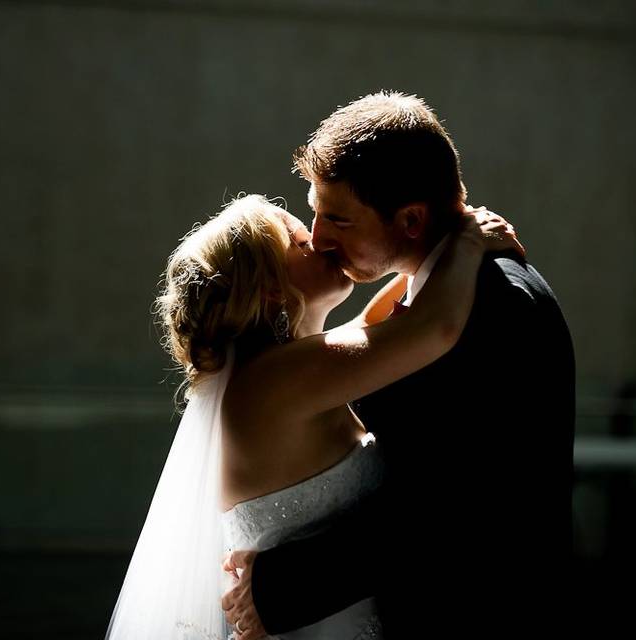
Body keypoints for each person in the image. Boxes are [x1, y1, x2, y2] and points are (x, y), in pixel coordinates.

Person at [221, 92, 575, 640]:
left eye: (336, 218)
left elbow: (452, 512)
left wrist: (279, 587)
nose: (318, 239)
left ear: (410, 219)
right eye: (312, 215)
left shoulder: (497, 308)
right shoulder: (437, 296)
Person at [105, 187, 523, 639]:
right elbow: (433, 328)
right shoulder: (278, 380)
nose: (323, 245)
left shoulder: (283, 371)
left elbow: (372, 323)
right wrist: (468, 241)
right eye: (303, 244)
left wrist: (435, 242)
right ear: (268, 285)